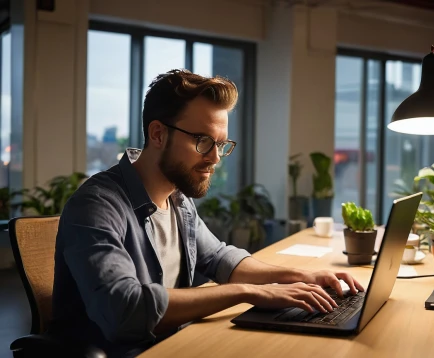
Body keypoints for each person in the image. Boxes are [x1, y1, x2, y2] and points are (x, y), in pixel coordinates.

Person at [50, 69, 364, 357]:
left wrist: (302, 277)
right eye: (202, 141)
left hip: (178, 343)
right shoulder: (97, 205)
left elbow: (219, 258)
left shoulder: (177, 198)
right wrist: (248, 292)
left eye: (221, 144)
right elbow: (124, 310)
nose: (215, 158)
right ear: (158, 134)